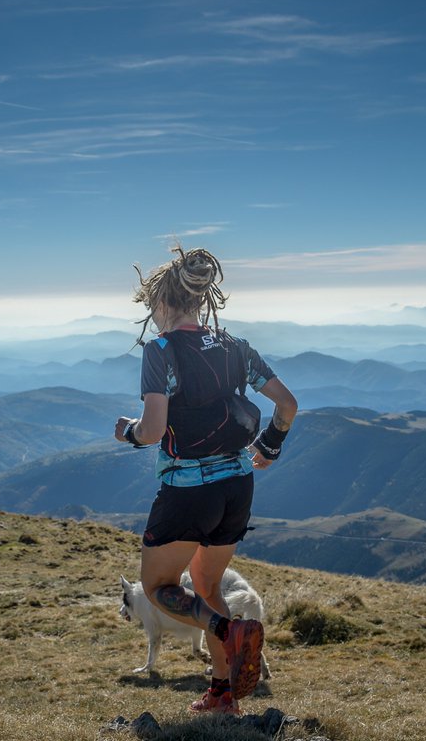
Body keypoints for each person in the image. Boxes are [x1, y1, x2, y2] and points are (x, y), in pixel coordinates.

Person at [114, 246, 298, 715]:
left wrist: (129, 433)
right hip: (238, 485)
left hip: (188, 489)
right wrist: (269, 447)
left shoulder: (161, 351)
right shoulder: (236, 347)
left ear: (162, 303)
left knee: (158, 587)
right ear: (201, 300)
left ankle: (226, 632)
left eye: (152, 306)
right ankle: (222, 695)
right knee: (208, 585)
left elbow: (153, 430)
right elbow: (287, 405)